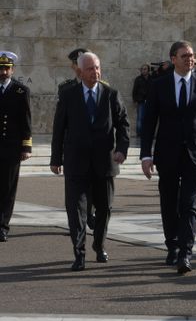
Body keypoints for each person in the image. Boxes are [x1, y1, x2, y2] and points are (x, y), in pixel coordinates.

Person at [140, 41, 196, 275]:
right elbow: (148, 123)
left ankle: (186, 252)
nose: (190, 59)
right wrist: (146, 155)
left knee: (189, 204)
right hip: (166, 153)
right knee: (168, 202)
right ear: (173, 59)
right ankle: (172, 245)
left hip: (195, 154)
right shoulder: (159, 85)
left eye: (192, 55)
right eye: (184, 55)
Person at [50, 52, 130, 271]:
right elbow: (59, 129)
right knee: (76, 210)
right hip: (76, 162)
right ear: (80, 71)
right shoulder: (68, 95)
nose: (95, 72)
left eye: (97, 68)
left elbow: (123, 124)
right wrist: (56, 158)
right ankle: (79, 253)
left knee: (105, 208)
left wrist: (122, 149)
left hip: (105, 163)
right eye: (90, 69)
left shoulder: (111, 94)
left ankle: (99, 244)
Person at [60, 48, 96, 230]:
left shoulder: (103, 87)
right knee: (74, 191)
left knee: (92, 188)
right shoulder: (66, 88)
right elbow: (62, 122)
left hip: (95, 149)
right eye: (79, 63)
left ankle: (90, 213)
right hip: (74, 148)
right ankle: (76, 222)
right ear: (75, 67)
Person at [0, 51, 32, 242]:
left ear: (12, 70)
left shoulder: (21, 91)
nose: (3, 72)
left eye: (6, 68)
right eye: (1, 69)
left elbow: (26, 120)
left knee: (8, 188)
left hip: (11, 147)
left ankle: (3, 226)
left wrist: (26, 147)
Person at [132, 64, 151, 137]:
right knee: (140, 118)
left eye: (145, 69)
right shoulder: (138, 79)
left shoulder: (151, 78)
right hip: (141, 101)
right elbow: (135, 90)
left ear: (148, 70)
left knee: (149, 118)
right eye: (142, 69)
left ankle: (147, 133)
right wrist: (135, 100)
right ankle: (139, 134)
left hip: (150, 101)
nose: (143, 70)